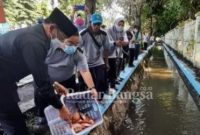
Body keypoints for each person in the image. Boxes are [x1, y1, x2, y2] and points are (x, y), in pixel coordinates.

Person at [0, 8, 77, 135]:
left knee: (14, 118)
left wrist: (54, 84)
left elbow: (39, 69)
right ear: (52, 28)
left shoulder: (41, 36)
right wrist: (60, 107)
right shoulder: (33, 41)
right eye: (61, 38)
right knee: (14, 125)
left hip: (6, 79)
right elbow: (41, 81)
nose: (62, 42)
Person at [34, 38, 98, 127]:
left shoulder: (77, 53)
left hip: (68, 79)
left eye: (75, 44)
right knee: (42, 96)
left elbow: (85, 71)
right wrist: (52, 84)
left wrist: (92, 88)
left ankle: (74, 117)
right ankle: (41, 117)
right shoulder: (47, 48)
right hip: (46, 80)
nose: (72, 46)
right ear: (60, 40)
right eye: (70, 43)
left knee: (71, 101)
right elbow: (37, 67)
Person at [79, 13, 116, 100]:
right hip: (86, 62)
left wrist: (106, 63)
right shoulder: (83, 33)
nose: (96, 26)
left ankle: (99, 99)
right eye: (95, 24)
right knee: (88, 83)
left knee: (101, 81)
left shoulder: (104, 34)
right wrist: (78, 66)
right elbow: (77, 49)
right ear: (91, 23)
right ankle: (88, 99)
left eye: (98, 24)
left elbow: (106, 49)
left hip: (99, 61)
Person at [107, 17, 129, 90]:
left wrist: (120, 43)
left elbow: (126, 42)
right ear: (115, 23)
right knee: (110, 69)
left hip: (118, 52)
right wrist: (116, 43)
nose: (120, 26)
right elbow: (109, 42)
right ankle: (109, 86)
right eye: (119, 24)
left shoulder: (123, 31)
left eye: (122, 25)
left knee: (115, 68)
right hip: (109, 53)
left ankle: (113, 85)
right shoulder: (109, 30)